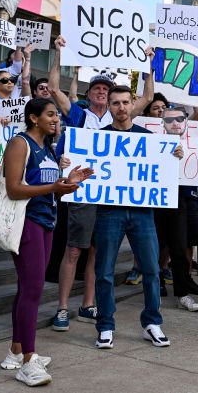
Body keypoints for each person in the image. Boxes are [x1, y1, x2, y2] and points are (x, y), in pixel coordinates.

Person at [48, 36, 154, 332]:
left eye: (105, 89)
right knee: (74, 250)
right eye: (96, 88)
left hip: (109, 195)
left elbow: (145, 98)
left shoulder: (120, 114)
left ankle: (88, 304)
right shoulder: (79, 115)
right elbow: (54, 89)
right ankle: (62, 308)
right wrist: (58, 54)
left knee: (97, 251)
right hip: (84, 191)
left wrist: (148, 64)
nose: (101, 92)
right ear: (90, 92)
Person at [0, 98, 92, 386]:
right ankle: (28, 360)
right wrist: (54, 186)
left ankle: (16, 350)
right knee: (33, 290)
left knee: (28, 288)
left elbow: (49, 192)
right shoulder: (20, 143)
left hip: (46, 222)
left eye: (57, 115)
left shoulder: (48, 148)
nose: (56, 119)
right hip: (27, 223)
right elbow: (14, 189)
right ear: (33, 117)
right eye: (51, 115)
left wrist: (66, 183)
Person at [93, 86, 182, 350]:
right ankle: (106, 325)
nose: (120, 108)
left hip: (143, 212)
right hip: (109, 212)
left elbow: (163, 170)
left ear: (132, 104)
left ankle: (152, 323)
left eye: (124, 102)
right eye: (115, 103)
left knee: (152, 270)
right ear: (108, 107)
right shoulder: (98, 138)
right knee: (104, 272)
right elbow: (85, 169)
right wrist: (69, 162)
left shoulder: (149, 138)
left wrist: (174, 156)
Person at [153, 105, 198, 311]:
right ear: (162, 123)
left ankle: (182, 293)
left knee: (179, 246)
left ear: (186, 121)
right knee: (155, 245)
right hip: (157, 199)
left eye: (179, 119)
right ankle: (155, 287)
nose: (174, 123)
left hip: (181, 199)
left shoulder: (195, 141)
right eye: (169, 120)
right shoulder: (152, 139)